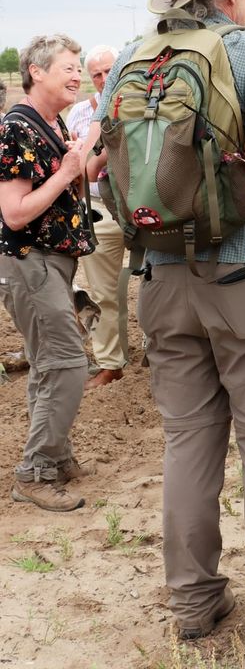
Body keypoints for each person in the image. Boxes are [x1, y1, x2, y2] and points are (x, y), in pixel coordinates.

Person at [93, 0, 245, 645]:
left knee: (188, 444)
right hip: (243, 276)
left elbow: (105, 164)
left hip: (159, 277)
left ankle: (192, 603)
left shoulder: (129, 59)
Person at [0, 34, 96, 513]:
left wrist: (84, 153)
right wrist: (66, 171)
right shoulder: (18, 127)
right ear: (36, 71)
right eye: (68, 66)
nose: (77, 74)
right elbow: (14, 213)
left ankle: (54, 459)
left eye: (79, 66)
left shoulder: (52, 124)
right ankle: (35, 471)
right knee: (67, 362)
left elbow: (73, 183)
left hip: (52, 262)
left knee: (48, 364)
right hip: (29, 259)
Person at [66, 44, 128, 389]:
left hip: (140, 206)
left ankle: (160, 350)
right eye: (97, 74)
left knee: (158, 283)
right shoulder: (79, 114)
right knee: (104, 291)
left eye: (110, 71)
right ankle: (110, 363)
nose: (105, 79)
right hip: (99, 207)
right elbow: (85, 169)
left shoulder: (143, 103)